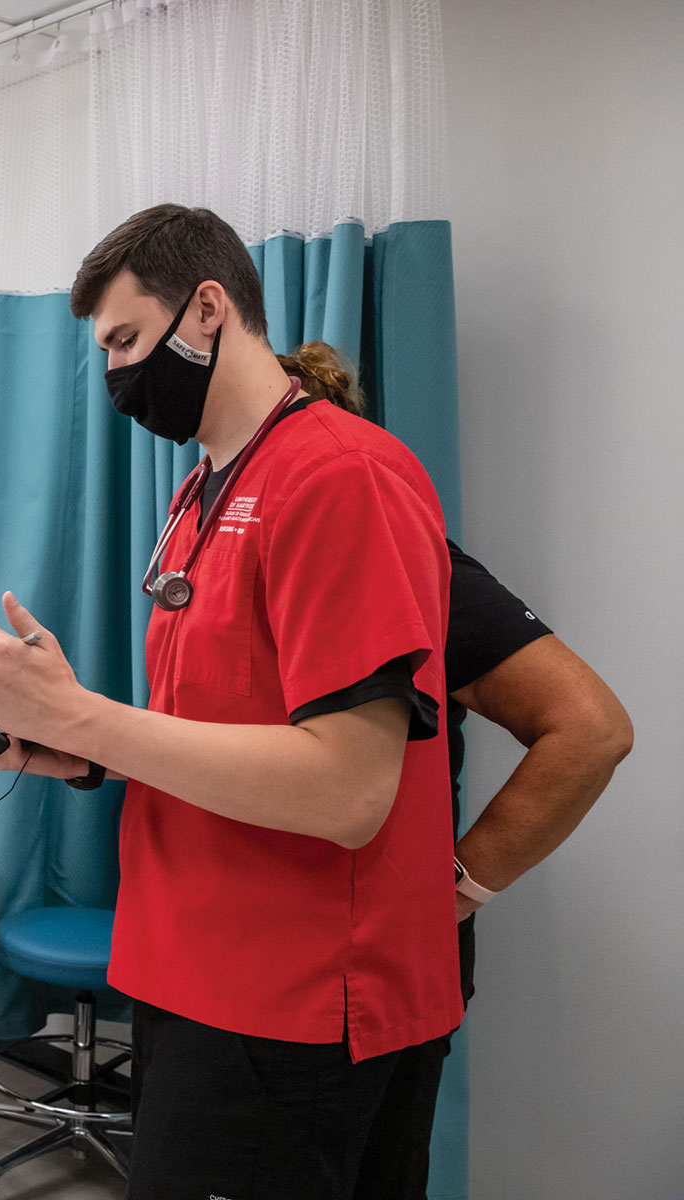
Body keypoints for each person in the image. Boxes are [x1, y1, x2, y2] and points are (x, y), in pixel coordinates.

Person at [0, 205, 459, 1199]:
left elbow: (347, 789)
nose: (114, 379)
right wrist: (71, 746)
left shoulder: (338, 475)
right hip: (193, 973)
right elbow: (219, 725)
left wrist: (83, 716)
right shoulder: (197, 496)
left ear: (208, 308)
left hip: (300, 1005)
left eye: (127, 342)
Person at [273, 343, 635, 1199]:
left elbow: (592, 729)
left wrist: (460, 886)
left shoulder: (410, 559)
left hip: (381, 967)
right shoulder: (262, 556)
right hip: (278, 949)